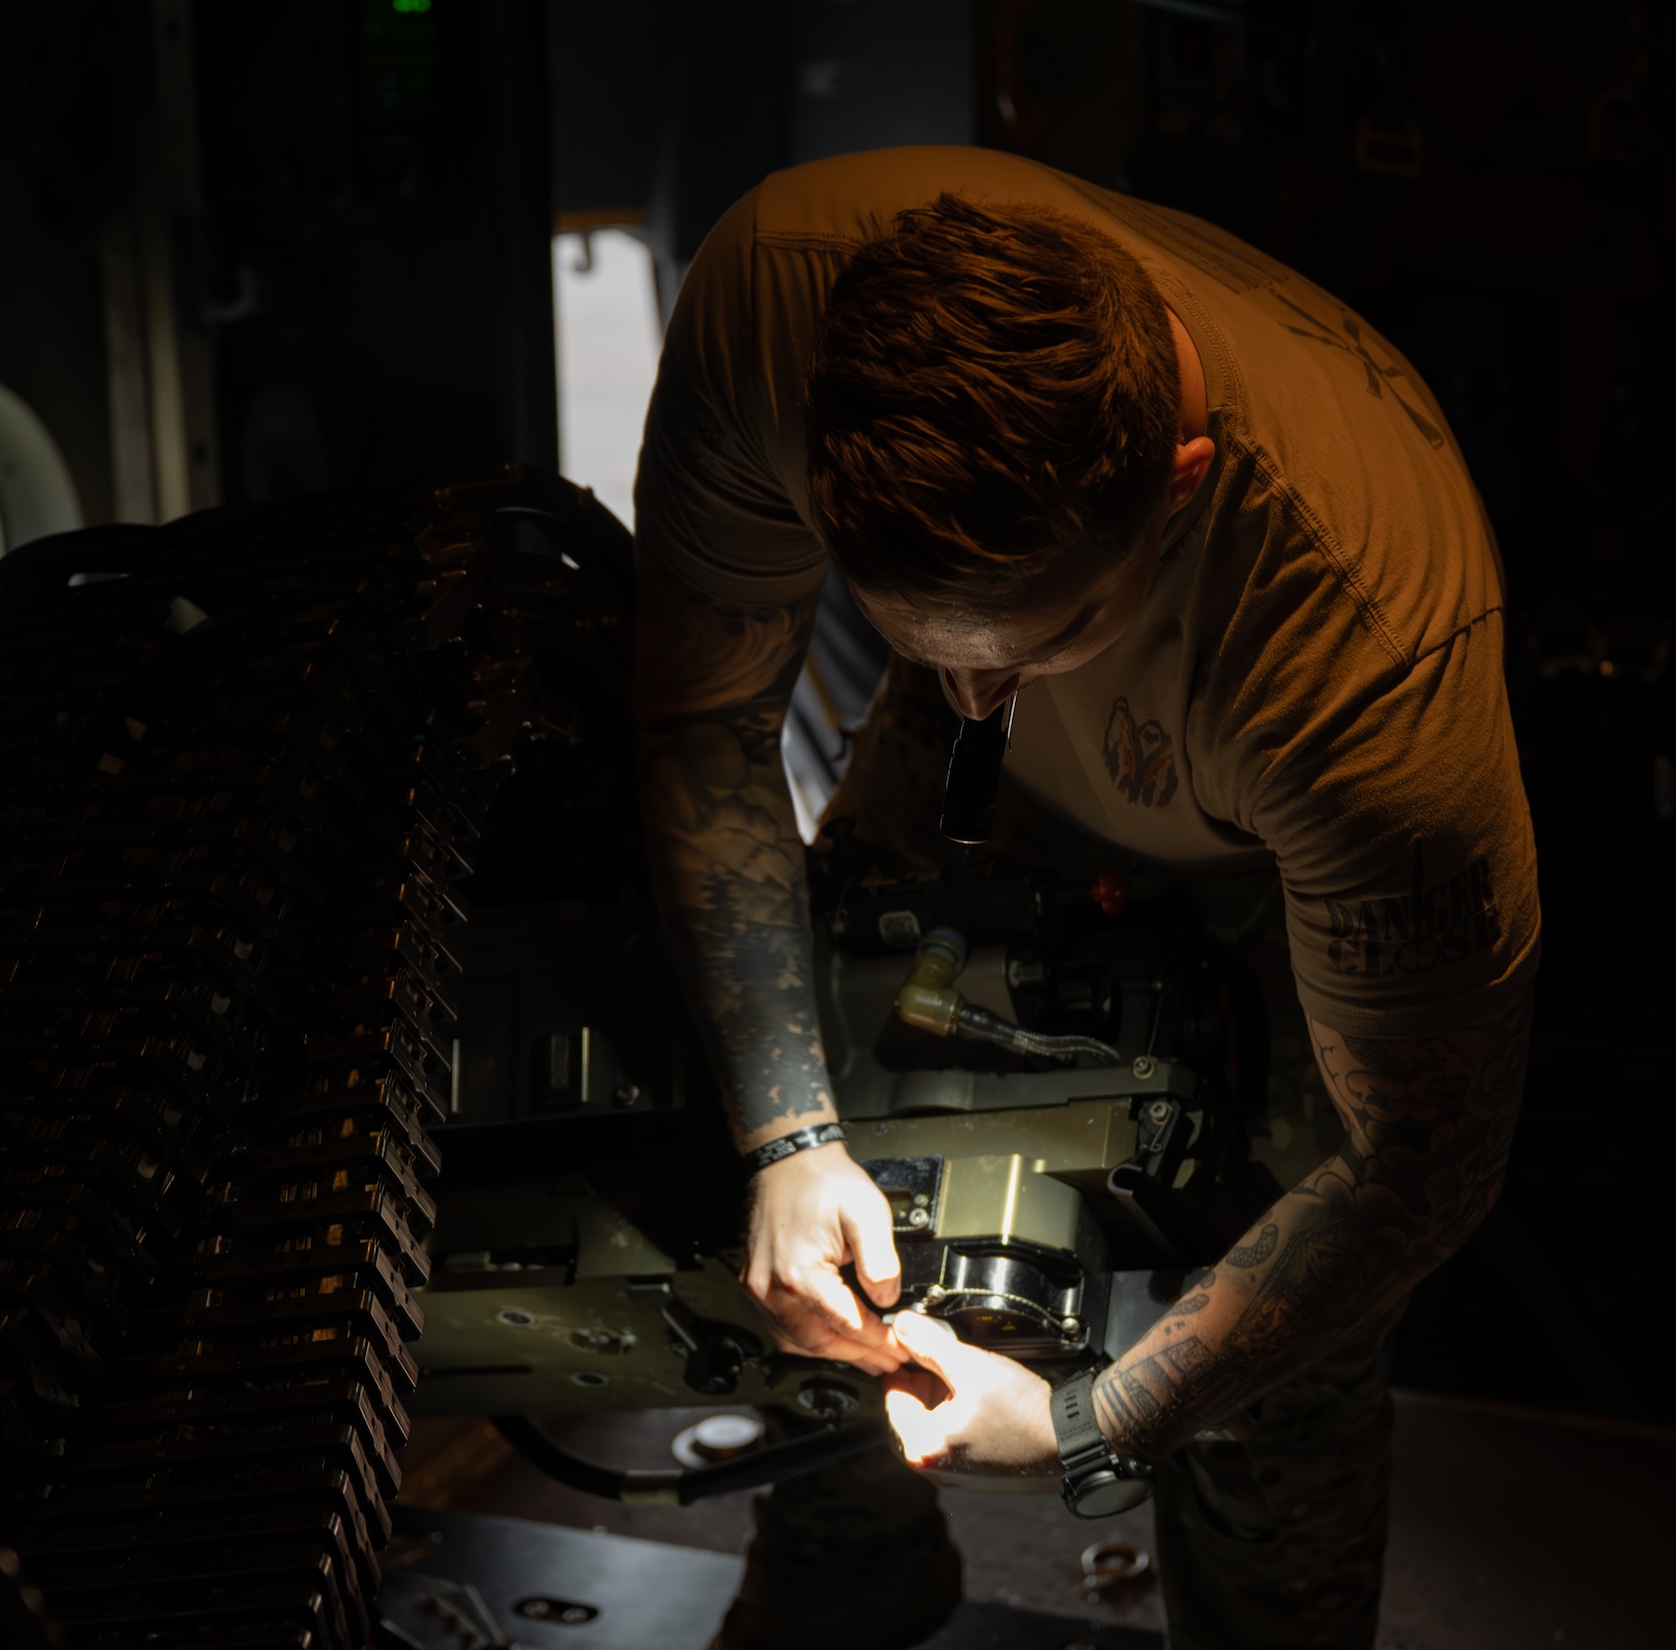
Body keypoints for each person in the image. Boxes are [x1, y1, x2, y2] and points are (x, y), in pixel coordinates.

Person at [631, 147, 1537, 1650]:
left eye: (1022, 644)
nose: (975, 693)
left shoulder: (1370, 675)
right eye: (921, 639)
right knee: (838, 1179)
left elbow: (1421, 1166)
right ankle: (851, 1566)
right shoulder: (771, 315)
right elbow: (705, 724)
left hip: (1264, 830)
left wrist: (1093, 1420)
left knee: (1272, 1335)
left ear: (1176, 495)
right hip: (1087, 696)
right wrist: (788, 1132)